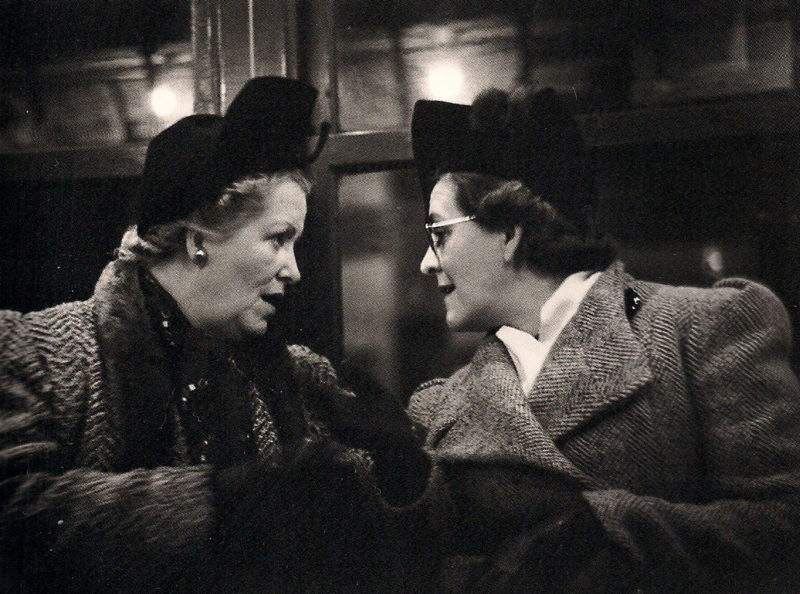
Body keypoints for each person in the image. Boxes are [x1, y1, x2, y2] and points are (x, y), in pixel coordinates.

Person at [0, 76, 426, 593]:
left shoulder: (299, 379)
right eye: (278, 239)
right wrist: (222, 502)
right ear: (199, 241)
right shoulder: (40, 351)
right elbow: (15, 518)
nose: (294, 271)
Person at [403, 86, 800, 592]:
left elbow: (787, 524)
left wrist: (609, 531)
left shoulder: (699, 329)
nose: (425, 261)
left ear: (509, 233)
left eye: (440, 234)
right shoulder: (441, 407)